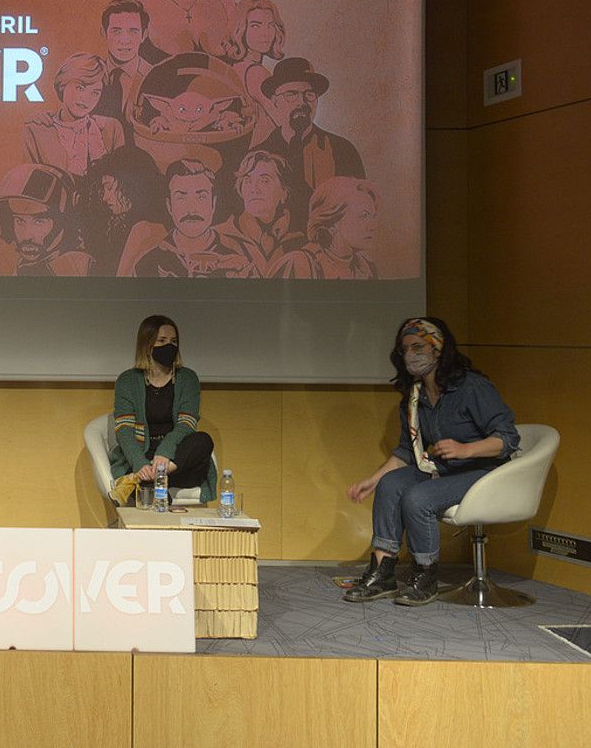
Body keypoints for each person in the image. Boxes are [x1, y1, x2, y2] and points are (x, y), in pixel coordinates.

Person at [343, 318, 520, 606]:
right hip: (442, 470)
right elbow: (405, 450)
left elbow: (508, 438)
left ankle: (425, 575)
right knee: (390, 484)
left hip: (483, 471)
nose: (410, 355)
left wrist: (466, 449)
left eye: (418, 347)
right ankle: (382, 571)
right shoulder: (415, 396)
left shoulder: (472, 387)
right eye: (405, 349)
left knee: (418, 497)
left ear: (437, 349)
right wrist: (372, 481)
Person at [108, 314, 217, 504]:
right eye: (162, 340)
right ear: (147, 344)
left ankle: (145, 482)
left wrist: (165, 452)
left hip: (176, 462)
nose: (170, 346)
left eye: (174, 341)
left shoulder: (188, 378)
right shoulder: (127, 381)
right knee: (151, 488)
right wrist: (139, 463)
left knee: (203, 440)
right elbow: (124, 429)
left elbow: (187, 423)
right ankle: (149, 481)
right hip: (143, 458)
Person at [252, 57, 365, 205]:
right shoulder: (257, 156)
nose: (301, 102)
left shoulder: (342, 151)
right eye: (291, 95)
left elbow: (359, 209)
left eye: (309, 95)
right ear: (275, 102)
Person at [23, 52, 125, 178]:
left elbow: (121, 183)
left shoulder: (111, 128)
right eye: (80, 88)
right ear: (62, 85)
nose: (86, 99)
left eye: (95, 92)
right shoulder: (37, 129)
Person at [212, 150, 309, 278]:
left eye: (265, 180)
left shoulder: (301, 240)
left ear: (284, 193)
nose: (254, 189)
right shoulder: (218, 236)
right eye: (248, 181)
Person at [0, 163, 94, 276]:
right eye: (20, 221)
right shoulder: (25, 266)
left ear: (61, 221)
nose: (27, 236)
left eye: (39, 222)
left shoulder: (74, 265)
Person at [79, 145, 167, 276]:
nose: (104, 197)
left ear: (133, 184)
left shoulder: (144, 230)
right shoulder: (120, 225)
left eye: (109, 187)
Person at [132, 158, 227, 277]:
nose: (191, 210)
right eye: (181, 198)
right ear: (169, 206)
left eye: (201, 197)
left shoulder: (235, 265)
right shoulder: (147, 265)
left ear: (213, 203)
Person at [292, 177, 379, 279]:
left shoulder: (366, 266)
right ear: (333, 221)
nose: (374, 226)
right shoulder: (299, 264)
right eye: (364, 216)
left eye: (373, 216)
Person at [228, 0, 287, 147]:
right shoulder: (256, 73)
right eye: (256, 26)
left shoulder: (236, 67)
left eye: (270, 25)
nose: (265, 33)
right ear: (240, 29)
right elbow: (283, 123)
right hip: (263, 153)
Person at [93, 0, 155, 134]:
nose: (124, 40)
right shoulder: (90, 76)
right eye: (116, 31)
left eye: (133, 31)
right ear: (103, 33)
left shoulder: (155, 77)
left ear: (144, 35)